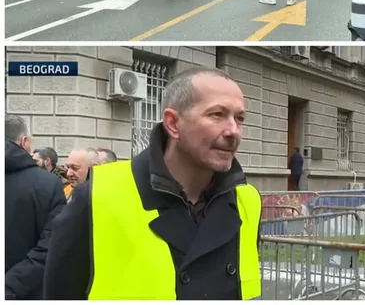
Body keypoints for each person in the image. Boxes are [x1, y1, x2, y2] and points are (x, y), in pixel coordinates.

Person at [43, 68, 262, 300]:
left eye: (239, 118)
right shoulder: (98, 196)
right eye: (217, 114)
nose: (233, 131)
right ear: (173, 123)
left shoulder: (248, 200)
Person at [5, 115, 67, 300]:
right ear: (24, 141)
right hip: (24, 292)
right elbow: (53, 245)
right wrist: (10, 285)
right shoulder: (48, 184)